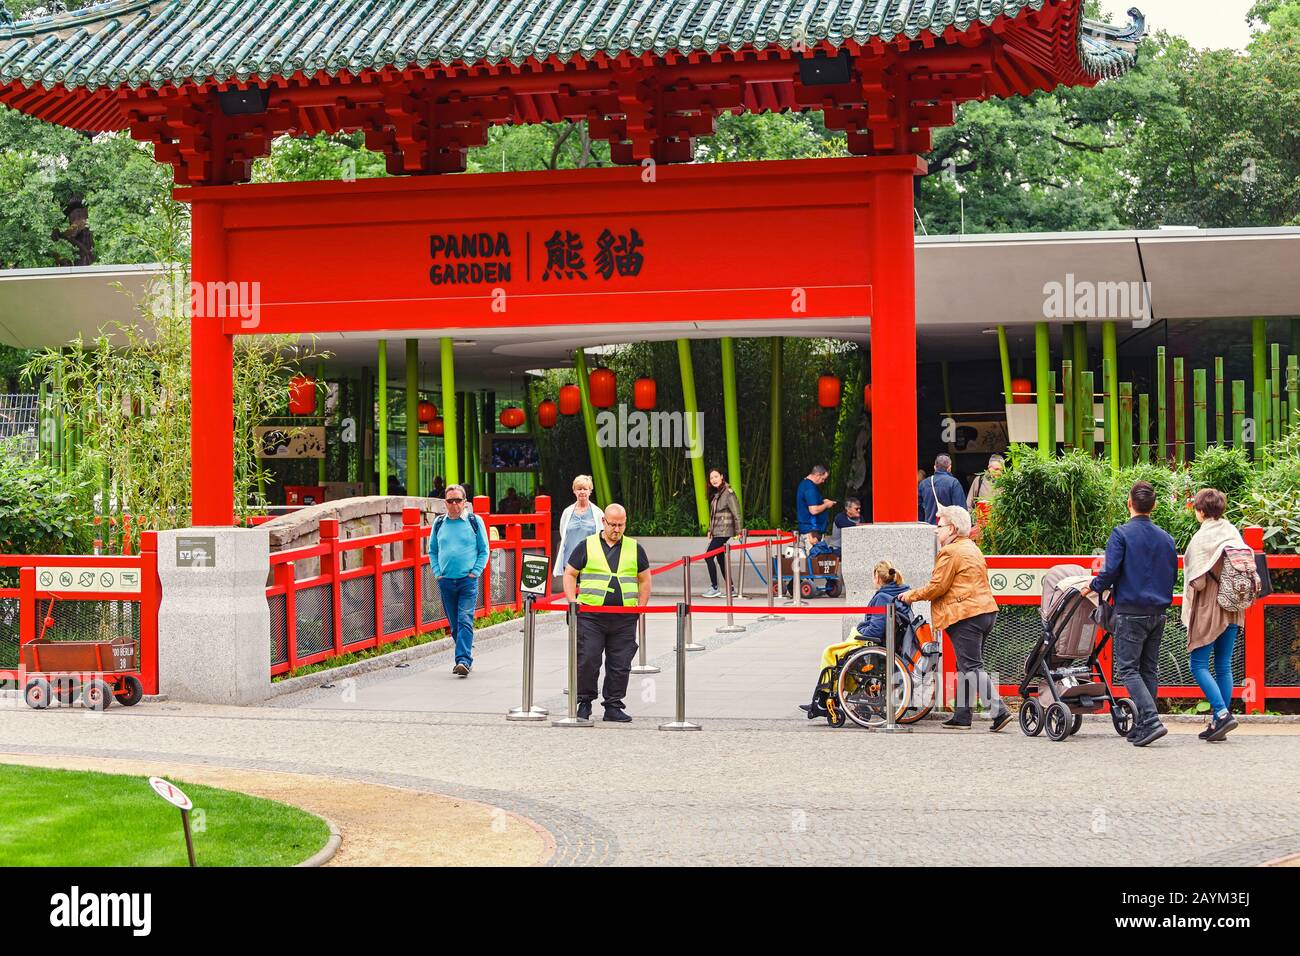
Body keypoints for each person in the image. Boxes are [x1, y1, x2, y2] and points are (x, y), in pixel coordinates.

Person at [900, 505, 1012, 731]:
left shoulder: (950, 551)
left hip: (965, 615)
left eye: (939, 526)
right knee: (965, 665)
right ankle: (962, 716)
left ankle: (999, 710)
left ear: (951, 529)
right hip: (985, 611)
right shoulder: (971, 547)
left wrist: (910, 595)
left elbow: (937, 587)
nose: (936, 531)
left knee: (971, 665)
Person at [1089, 480, 1178, 747]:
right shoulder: (1166, 538)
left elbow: (1110, 571)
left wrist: (1093, 586)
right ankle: (1143, 724)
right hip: (1158, 611)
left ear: (1129, 503)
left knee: (1128, 669)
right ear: (1155, 505)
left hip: (1131, 609)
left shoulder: (1121, 534)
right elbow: (1172, 574)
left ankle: (1150, 719)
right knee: (1149, 668)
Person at [563, 503, 651, 722]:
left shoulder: (634, 547)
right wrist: (573, 602)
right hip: (591, 616)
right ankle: (584, 702)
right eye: (613, 524)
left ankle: (613, 705)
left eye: (621, 524)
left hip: (624, 617)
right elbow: (570, 573)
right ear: (604, 522)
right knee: (588, 659)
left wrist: (640, 608)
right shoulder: (587, 545)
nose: (617, 529)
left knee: (621, 663)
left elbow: (645, 580)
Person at [800, 561, 910, 720]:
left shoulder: (883, 597)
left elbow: (876, 629)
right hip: (887, 642)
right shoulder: (900, 592)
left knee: (830, 653)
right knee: (840, 657)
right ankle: (829, 699)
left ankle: (823, 701)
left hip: (871, 641)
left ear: (877, 577)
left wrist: (859, 632)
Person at [1182, 488, 1248, 742]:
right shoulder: (1233, 533)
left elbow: (1196, 583)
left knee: (1197, 664)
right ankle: (1217, 721)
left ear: (1200, 511)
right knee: (1223, 665)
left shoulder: (1201, 540)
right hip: (1233, 605)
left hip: (1210, 607)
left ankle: (1221, 714)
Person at [428, 484, 488, 677]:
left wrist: (475, 572)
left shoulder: (474, 521)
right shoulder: (439, 523)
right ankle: (465, 652)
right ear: (444, 502)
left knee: (464, 619)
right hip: (446, 581)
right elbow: (433, 551)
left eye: (458, 500)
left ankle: (463, 660)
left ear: (465, 502)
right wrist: (438, 573)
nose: (454, 504)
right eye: (450, 500)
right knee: (454, 624)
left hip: (467, 581)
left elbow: (484, 550)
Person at [555, 475, 604, 578]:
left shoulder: (598, 513)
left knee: (588, 593)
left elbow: (603, 535)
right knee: (571, 593)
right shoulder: (567, 512)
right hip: (570, 562)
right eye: (579, 489)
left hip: (590, 562)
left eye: (585, 489)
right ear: (574, 491)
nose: (582, 492)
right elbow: (563, 532)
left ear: (590, 491)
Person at [702, 467, 741, 599]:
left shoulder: (728, 493)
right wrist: (710, 530)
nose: (714, 480)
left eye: (716, 477)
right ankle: (731, 589)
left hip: (725, 531)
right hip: (718, 531)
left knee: (708, 556)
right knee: (720, 559)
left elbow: (736, 513)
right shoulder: (717, 494)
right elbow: (714, 516)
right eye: (711, 478)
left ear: (722, 476)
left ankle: (714, 587)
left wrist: (738, 531)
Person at [917, 454, 965, 525]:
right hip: (948, 529)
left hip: (929, 527)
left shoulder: (924, 484)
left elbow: (918, 507)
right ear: (949, 468)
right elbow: (961, 510)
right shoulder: (954, 483)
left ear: (934, 467)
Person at [796, 465, 835, 550]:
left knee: (812, 560)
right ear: (817, 474)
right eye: (823, 478)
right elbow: (814, 510)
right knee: (814, 559)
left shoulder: (805, 484)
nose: (823, 481)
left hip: (809, 529)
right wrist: (827, 505)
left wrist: (823, 501)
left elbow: (810, 503)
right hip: (812, 531)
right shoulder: (810, 488)